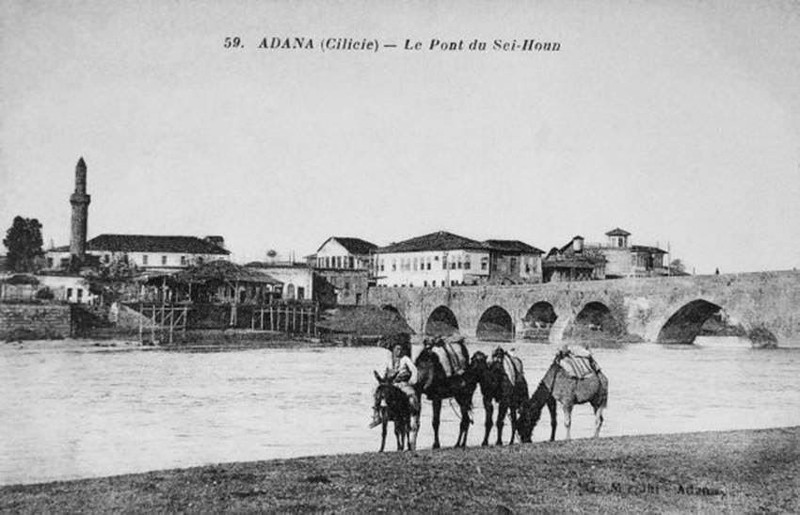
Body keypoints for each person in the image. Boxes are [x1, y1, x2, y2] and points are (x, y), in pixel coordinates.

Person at [370, 341, 419, 428]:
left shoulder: (405, 359)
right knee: (376, 392)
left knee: (412, 394)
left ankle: (413, 414)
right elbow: (385, 371)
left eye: (400, 349)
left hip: (402, 383)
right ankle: (376, 415)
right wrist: (382, 380)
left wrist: (412, 381)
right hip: (390, 383)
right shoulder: (389, 360)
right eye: (397, 349)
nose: (398, 352)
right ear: (393, 350)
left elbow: (414, 370)